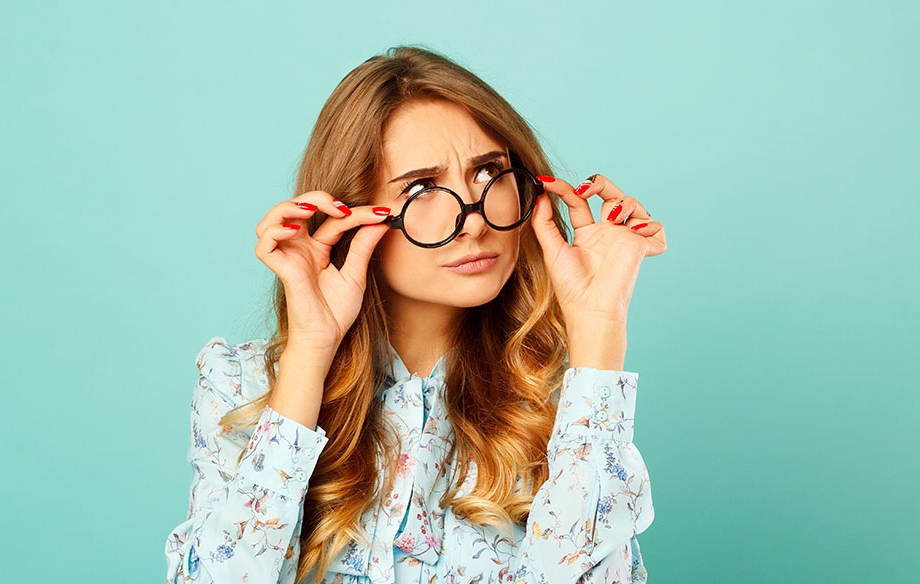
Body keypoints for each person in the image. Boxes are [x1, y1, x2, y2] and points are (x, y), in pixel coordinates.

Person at [164, 45, 667, 584]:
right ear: (354, 215)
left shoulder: (558, 406)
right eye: (422, 188)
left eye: (489, 172)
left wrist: (600, 326)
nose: (473, 221)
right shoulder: (240, 387)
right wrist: (310, 352)